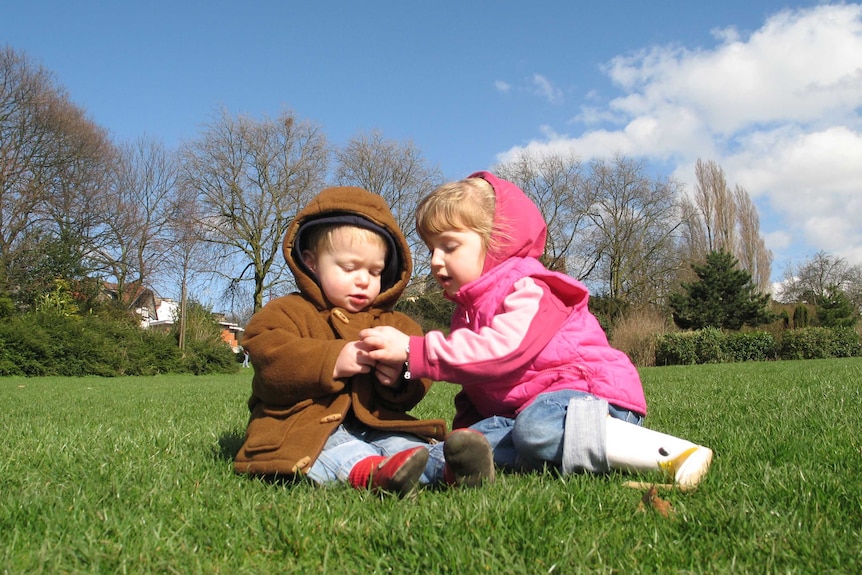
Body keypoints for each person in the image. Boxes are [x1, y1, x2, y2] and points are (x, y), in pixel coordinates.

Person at [360, 172, 713, 490]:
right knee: (478, 440)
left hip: (584, 396)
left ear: (495, 241)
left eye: (449, 246)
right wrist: (465, 431)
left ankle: (672, 455)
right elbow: (475, 388)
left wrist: (413, 353)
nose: (436, 260)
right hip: (528, 412)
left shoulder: (528, 286)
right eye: (431, 248)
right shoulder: (466, 314)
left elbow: (503, 351)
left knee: (536, 429)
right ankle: (404, 472)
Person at [233, 185, 494, 495]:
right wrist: (333, 360)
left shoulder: (395, 324)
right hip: (302, 424)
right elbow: (270, 361)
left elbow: (418, 379)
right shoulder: (286, 312)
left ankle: (451, 468)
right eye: (349, 268)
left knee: (403, 443)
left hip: (377, 423)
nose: (363, 280)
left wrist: (399, 377)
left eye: (375, 272)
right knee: (332, 446)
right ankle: (372, 473)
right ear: (311, 262)